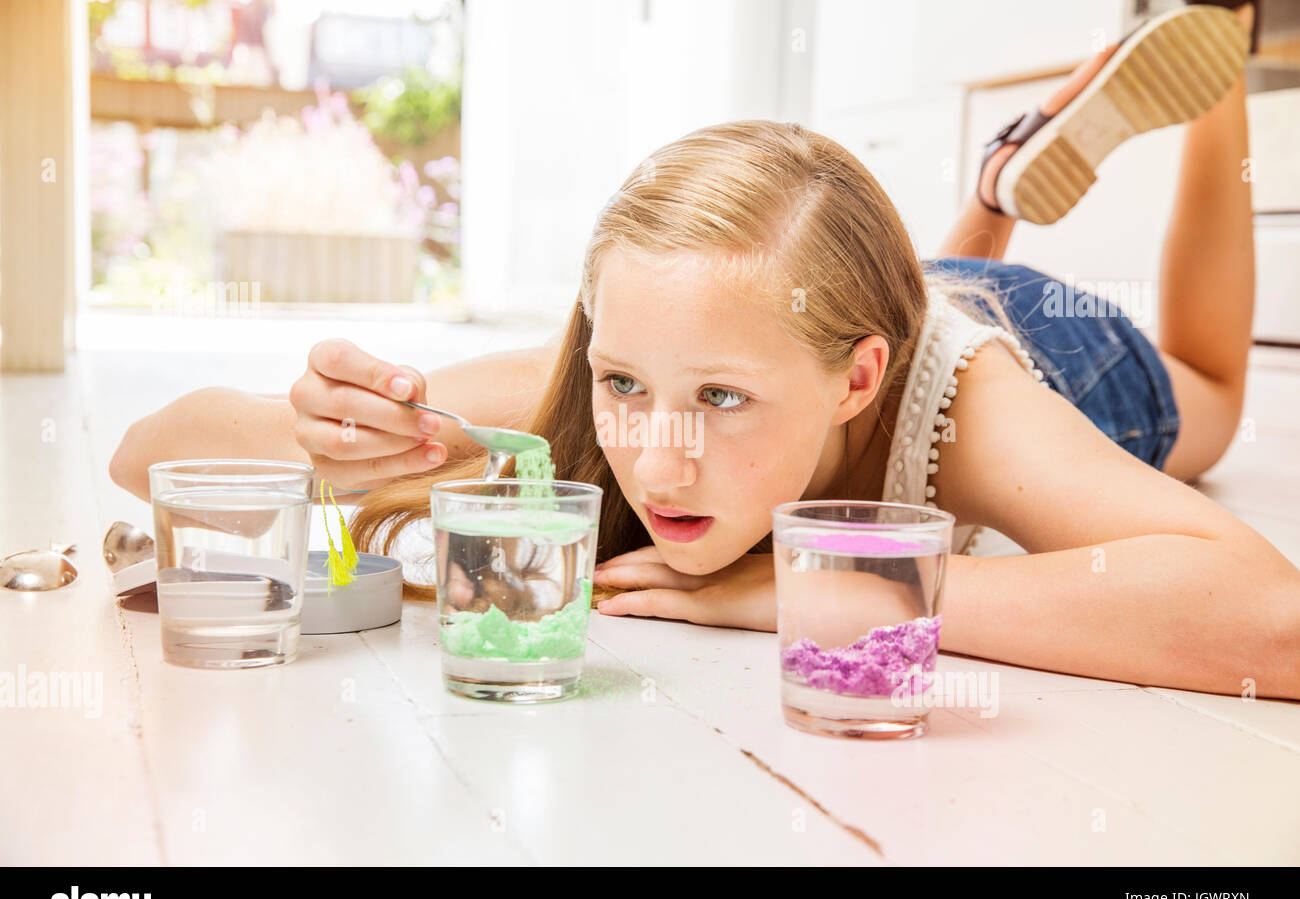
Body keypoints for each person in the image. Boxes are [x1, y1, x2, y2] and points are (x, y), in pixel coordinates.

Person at [111, 2, 1300, 698]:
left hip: (1022, 334)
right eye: (624, 382)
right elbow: (142, 453)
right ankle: (992, 186)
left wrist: (811, 590)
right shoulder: (625, 358)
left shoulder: (977, 414)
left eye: (719, 399)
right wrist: (313, 425)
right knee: (879, 298)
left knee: (1209, 396)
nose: (656, 460)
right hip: (866, 300)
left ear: (860, 384)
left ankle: (1222, 74)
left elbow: (1267, 618)